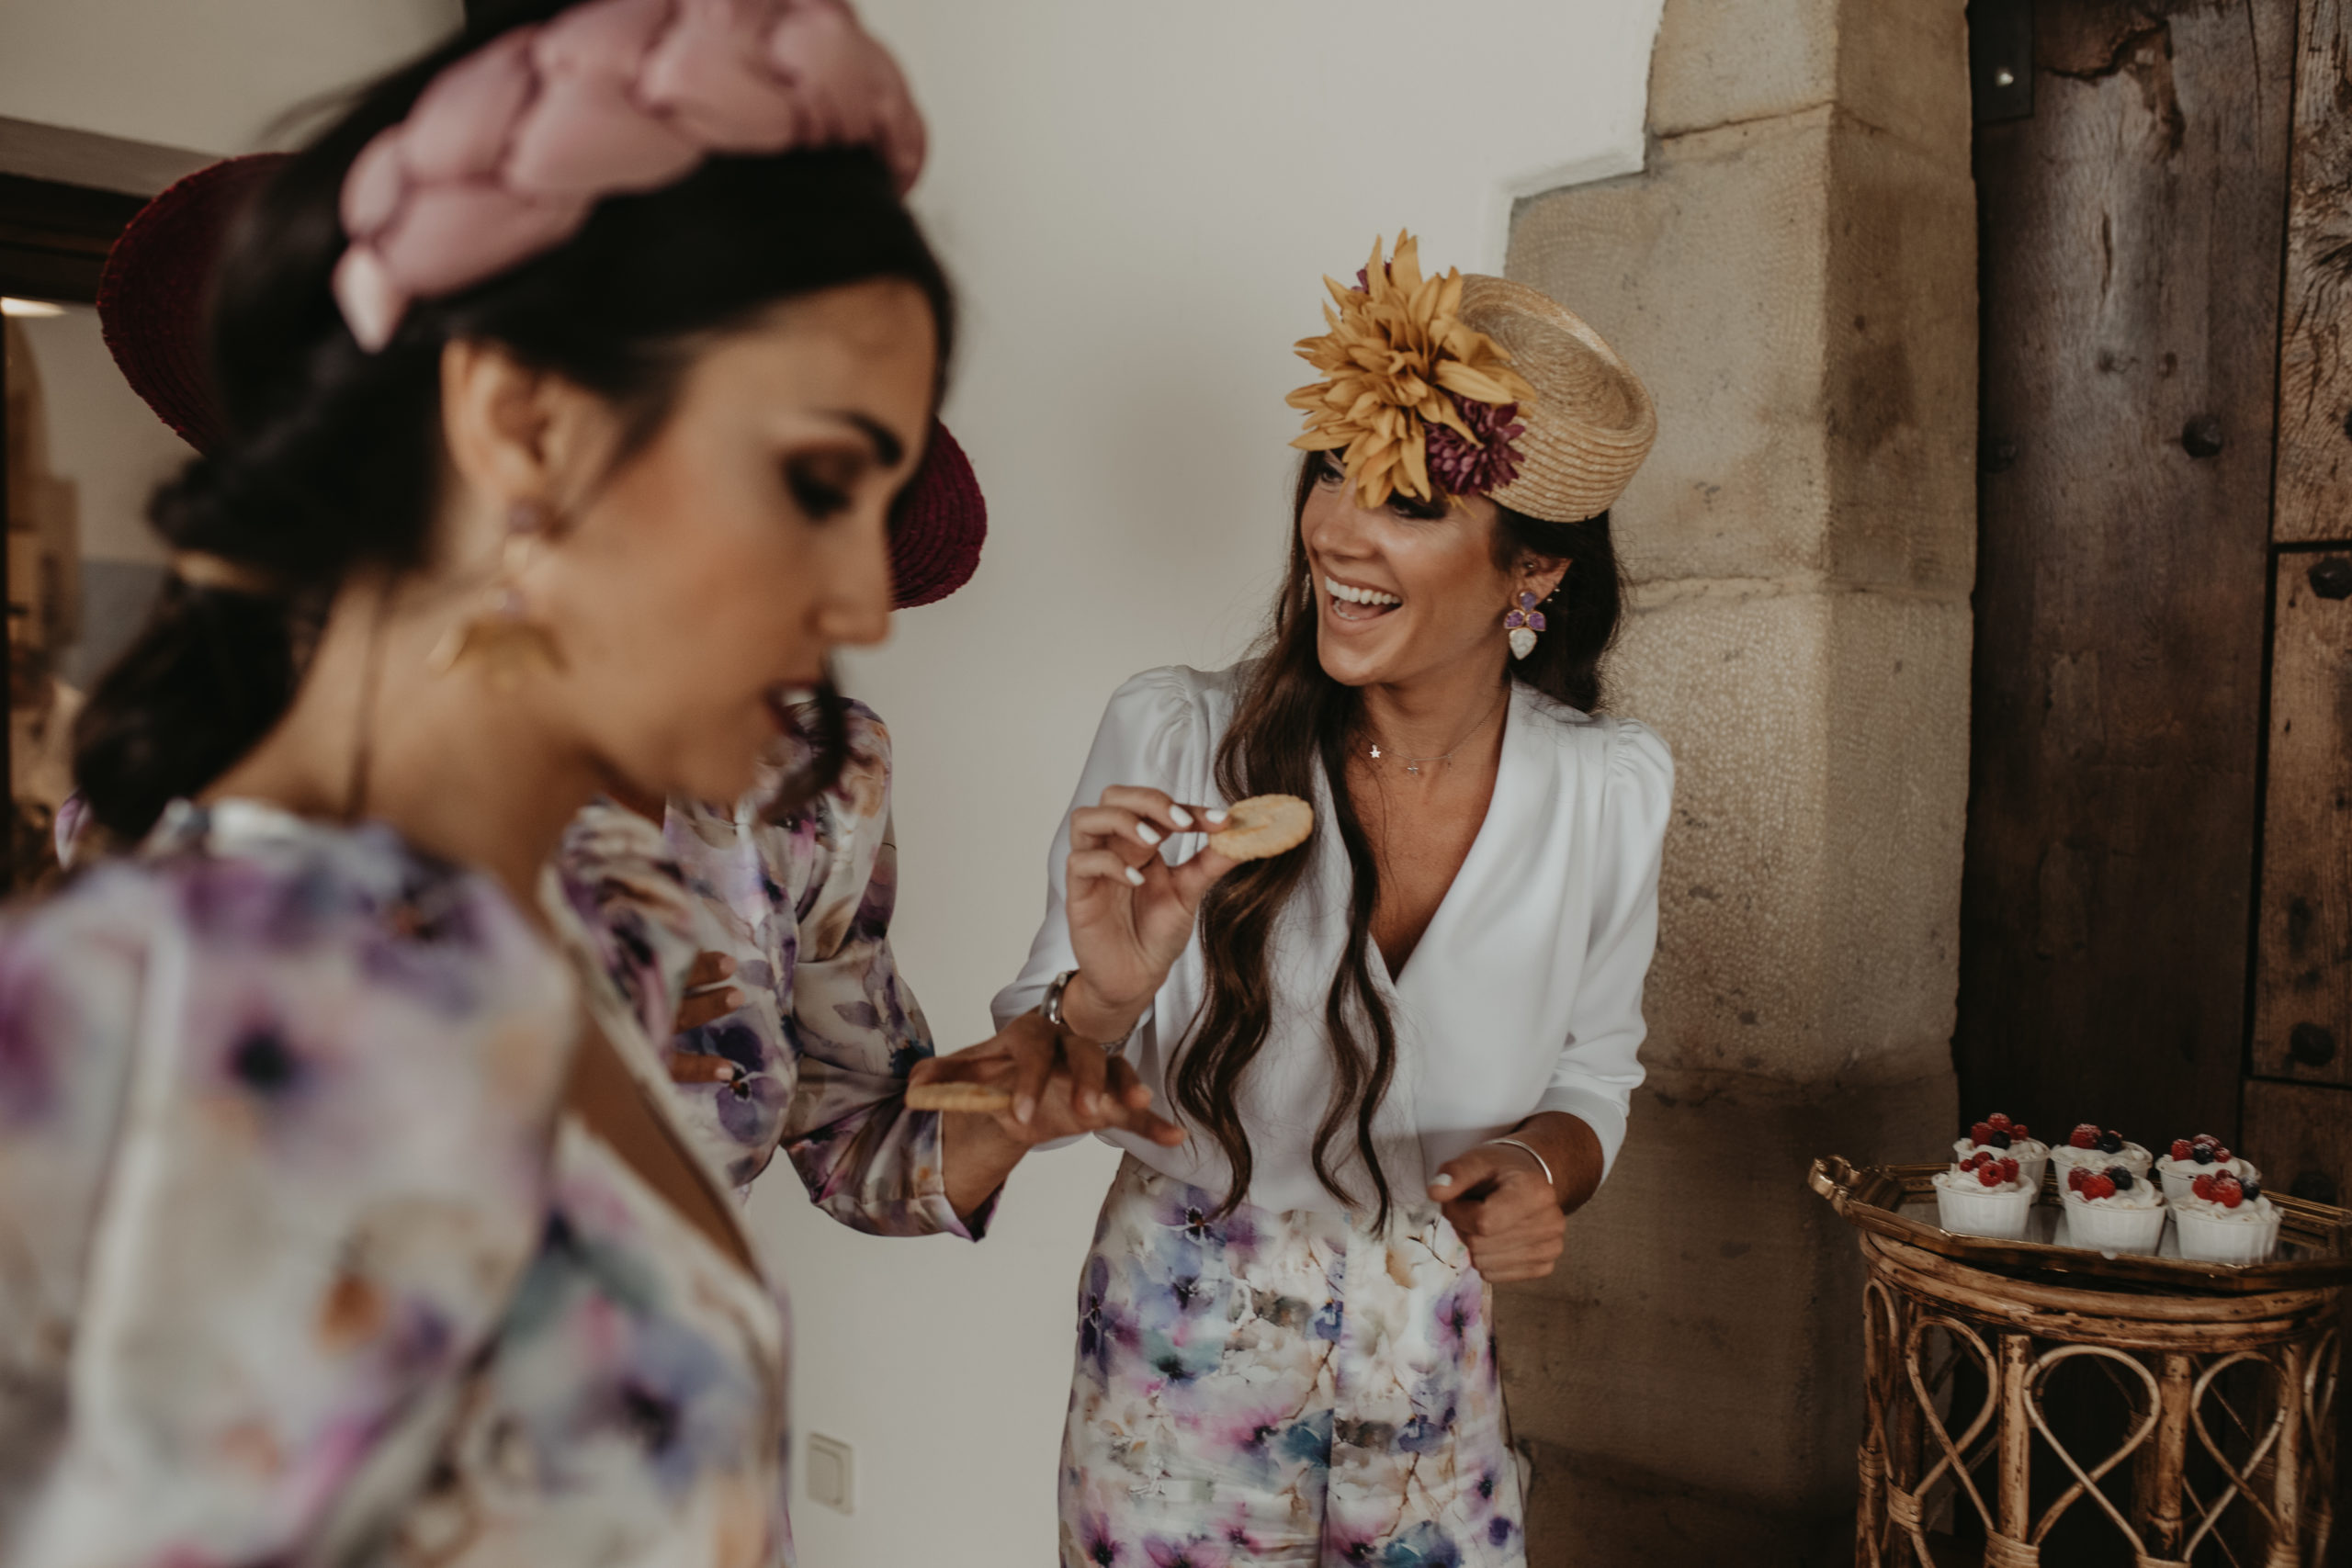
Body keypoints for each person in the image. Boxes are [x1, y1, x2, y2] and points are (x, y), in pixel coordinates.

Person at [0, 5, 1160, 1565]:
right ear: (517, 425)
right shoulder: (169, 1030)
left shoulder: (589, 908)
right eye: (816, 482)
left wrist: (1063, 1047)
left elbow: (840, 1135)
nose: (870, 608)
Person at [994, 234, 1673, 1567]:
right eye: (1332, 477)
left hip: (1431, 1378)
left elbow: (1598, 1076)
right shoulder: (1179, 739)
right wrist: (1104, 998)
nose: (1336, 533)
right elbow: (1039, 1059)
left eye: (1411, 504)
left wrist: (1541, 1171)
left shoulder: (1610, 790)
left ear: (1532, 572)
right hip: (1173, 1381)